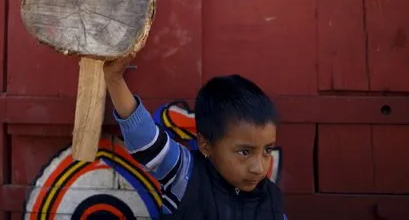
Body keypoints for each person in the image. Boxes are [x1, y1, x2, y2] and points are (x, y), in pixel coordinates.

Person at [104, 54, 287, 220]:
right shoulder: (187, 176)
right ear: (205, 145)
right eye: (244, 152)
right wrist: (114, 79)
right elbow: (145, 140)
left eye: (267, 150)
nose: (259, 168)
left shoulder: (272, 200)